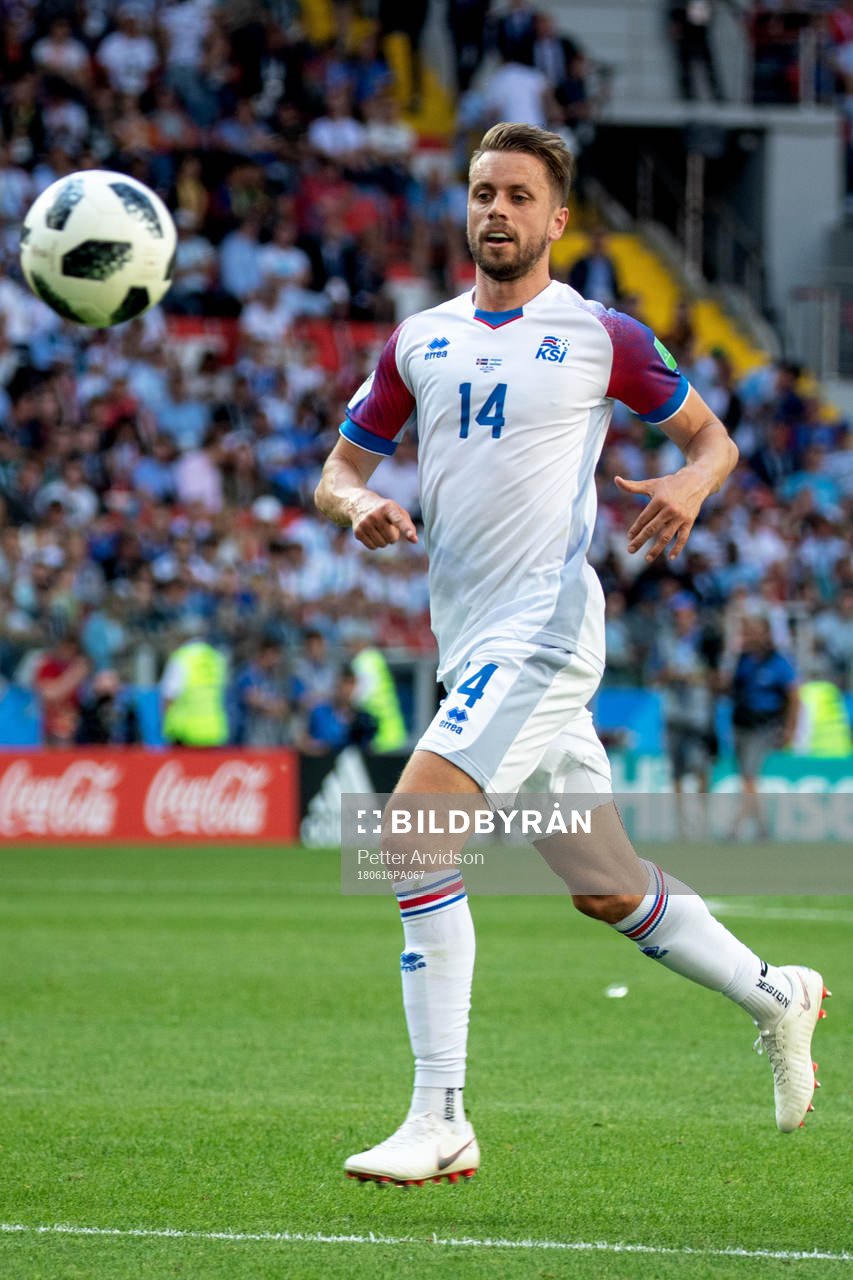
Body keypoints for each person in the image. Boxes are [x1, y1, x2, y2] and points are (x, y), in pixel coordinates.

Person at [315, 122, 827, 1186]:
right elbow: (336, 469)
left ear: (555, 219)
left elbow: (712, 438)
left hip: (543, 632)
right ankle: (779, 992)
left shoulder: (602, 335)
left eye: (516, 196)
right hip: (475, 648)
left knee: (412, 831)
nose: (494, 210)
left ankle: (440, 1115)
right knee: (602, 884)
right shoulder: (419, 339)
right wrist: (357, 499)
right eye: (481, 193)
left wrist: (689, 484)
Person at [727, 615, 798, 839]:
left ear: (766, 634)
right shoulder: (743, 660)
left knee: (749, 776)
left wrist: (790, 729)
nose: (750, 636)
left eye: (754, 631)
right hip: (742, 725)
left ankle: (736, 828)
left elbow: (794, 696)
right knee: (747, 778)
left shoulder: (778, 662)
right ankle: (762, 828)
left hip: (764, 727)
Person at [161, 636, 229, 747]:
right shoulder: (216, 658)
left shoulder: (182, 657)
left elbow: (169, 695)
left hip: (184, 732)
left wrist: (165, 725)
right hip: (214, 730)